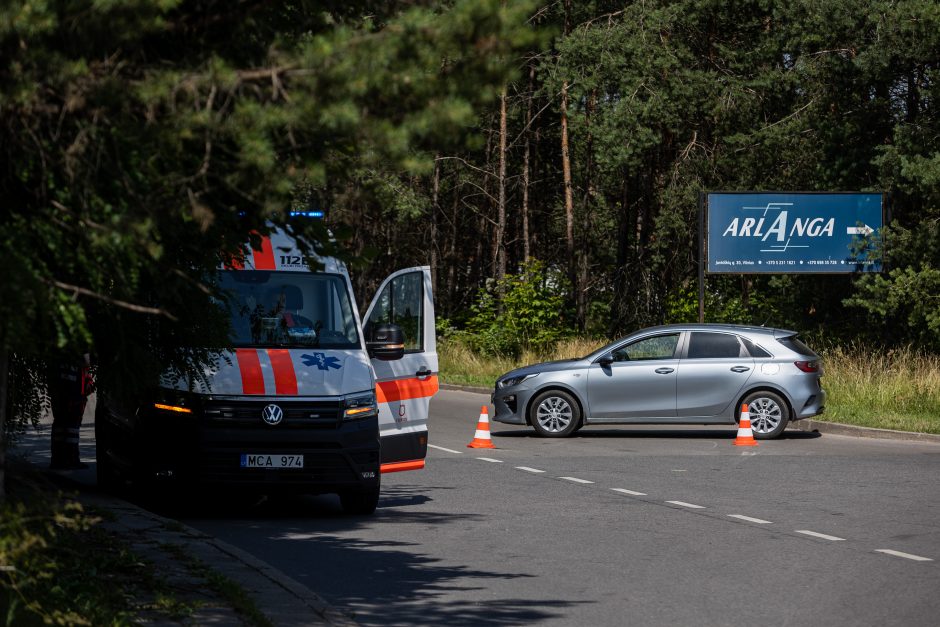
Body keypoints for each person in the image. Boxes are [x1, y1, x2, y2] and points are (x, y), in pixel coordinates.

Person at [48, 353, 94, 470]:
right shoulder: (71, 359)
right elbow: (68, 382)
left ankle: (60, 460)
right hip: (71, 397)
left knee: (63, 427)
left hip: (68, 397)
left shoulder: (64, 357)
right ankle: (70, 460)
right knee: (70, 428)